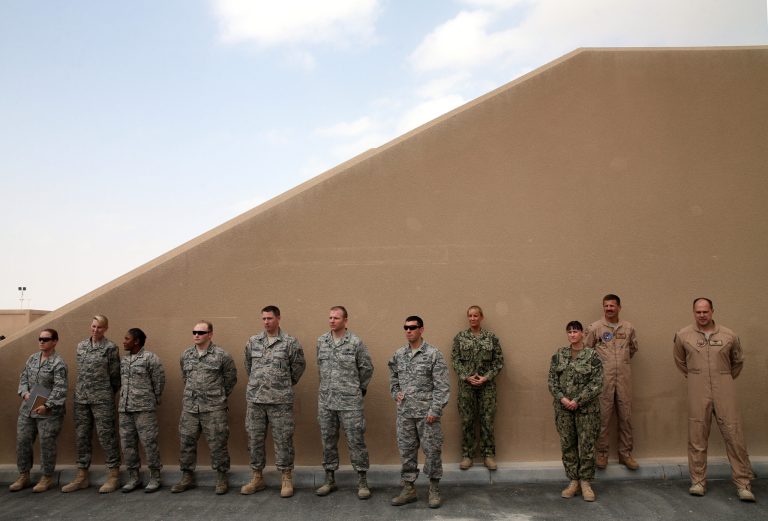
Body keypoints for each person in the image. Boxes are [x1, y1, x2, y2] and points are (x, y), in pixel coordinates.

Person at [673, 298, 756, 502]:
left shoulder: (729, 335)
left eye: (705, 311)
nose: (702, 315)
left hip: (724, 386)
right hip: (697, 386)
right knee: (697, 436)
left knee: (734, 434)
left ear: (712, 311)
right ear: (694, 312)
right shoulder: (683, 335)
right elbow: (680, 361)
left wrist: (723, 377)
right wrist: (696, 376)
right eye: (698, 312)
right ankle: (698, 481)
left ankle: (743, 483)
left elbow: (737, 361)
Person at [240, 306, 306, 498]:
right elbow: (248, 366)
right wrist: (259, 383)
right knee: (254, 439)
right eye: (263, 319)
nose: (266, 322)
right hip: (256, 400)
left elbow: (298, 367)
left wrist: (283, 384)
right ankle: (257, 477)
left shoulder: (289, 343)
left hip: (280, 401)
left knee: (283, 439)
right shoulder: (253, 342)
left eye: (269, 318)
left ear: (278, 318)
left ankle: (286, 477)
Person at [388, 316, 450, 509]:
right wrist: (395, 392)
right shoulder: (399, 354)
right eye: (405, 327)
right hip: (405, 413)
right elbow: (393, 377)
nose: (408, 331)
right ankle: (409, 489)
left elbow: (442, 386)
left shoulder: (433, 354)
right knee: (406, 452)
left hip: (427, 414)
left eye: (412, 327)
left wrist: (435, 409)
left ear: (421, 330)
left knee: (432, 451)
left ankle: (433, 489)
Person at [314, 306, 374, 499]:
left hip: (350, 402)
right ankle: (329, 479)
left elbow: (366, 368)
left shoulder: (355, 342)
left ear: (345, 321)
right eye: (330, 317)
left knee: (356, 442)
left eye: (336, 318)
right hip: (327, 401)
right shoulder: (321, 341)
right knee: (328, 442)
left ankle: (362, 481)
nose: (332, 321)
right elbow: (320, 367)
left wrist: (358, 388)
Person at [171, 321, 237, 495]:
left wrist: (217, 396)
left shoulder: (222, 355)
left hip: (214, 408)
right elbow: (185, 377)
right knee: (186, 442)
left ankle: (222, 477)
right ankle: (186, 476)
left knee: (218, 443)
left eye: (201, 332)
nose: (196, 335)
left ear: (210, 334)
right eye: (194, 332)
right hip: (190, 408)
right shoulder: (186, 355)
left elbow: (230, 379)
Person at [62, 314, 121, 493]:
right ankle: (81, 476)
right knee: (82, 437)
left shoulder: (110, 348)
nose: (95, 330)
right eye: (93, 326)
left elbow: (115, 377)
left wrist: (105, 392)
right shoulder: (81, 346)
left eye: (100, 327)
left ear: (105, 329)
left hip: (102, 399)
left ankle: (113, 475)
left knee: (106, 436)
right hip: (81, 398)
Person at [548, 321, 603, 502]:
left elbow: (597, 383)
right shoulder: (559, 355)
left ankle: (586, 482)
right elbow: (552, 381)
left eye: (576, 331)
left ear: (582, 334)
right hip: (564, 410)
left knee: (587, 445)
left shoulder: (592, 356)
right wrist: (563, 399)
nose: (572, 334)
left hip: (586, 410)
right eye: (569, 332)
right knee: (568, 445)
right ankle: (573, 481)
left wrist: (577, 400)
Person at [9, 329, 68, 493]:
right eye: (40, 339)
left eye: (46, 339)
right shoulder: (32, 359)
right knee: (23, 441)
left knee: (47, 444)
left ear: (55, 341)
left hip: (48, 411)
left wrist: (47, 405)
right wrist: (24, 393)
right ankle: (24, 476)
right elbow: (23, 380)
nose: (42, 341)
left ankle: (47, 477)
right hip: (28, 408)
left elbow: (61, 389)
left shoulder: (58, 363)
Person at [584, 294, 639, 470]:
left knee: (626, 416)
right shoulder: (595, 328)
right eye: (606, 306)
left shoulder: (628, 328)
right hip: (604, 379)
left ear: (619, 307)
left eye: (612, 306)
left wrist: (619, 364)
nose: (609, 308)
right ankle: (601, 453)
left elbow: (633, 349)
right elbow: (586, 352)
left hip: (623, 378)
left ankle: (625, 454)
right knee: (603, 417)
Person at [451, 305, 504, 470]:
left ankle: (488, 455)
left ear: (481, 317)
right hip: (466, 386)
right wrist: (466, 376)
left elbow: (499, 361)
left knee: (487, 421)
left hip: (486, 387)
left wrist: (486, 377)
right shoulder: (460, 337)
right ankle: (468, 456)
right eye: (470, 316)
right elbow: (455, 360)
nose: (473, 318)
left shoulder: (491, 338)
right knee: (467, 421)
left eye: (476, 316)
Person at [118, 328, 166, 493]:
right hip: (125, 409)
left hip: (144, 409)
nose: (124, 341)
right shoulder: (124, 361)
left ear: (136, 341)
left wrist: (153, 400)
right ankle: (133, 477)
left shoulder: (150, 358)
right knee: (127, 444)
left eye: (127, 338)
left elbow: (159, 381)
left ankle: (155, 477)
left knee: (149, 443)